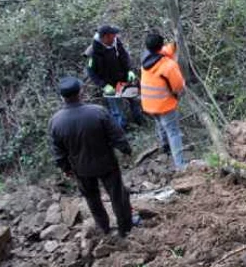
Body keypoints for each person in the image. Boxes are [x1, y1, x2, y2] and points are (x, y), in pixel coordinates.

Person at [49, 77, 133, 238]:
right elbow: (117, 135)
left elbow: (58, 151)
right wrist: (126, 150)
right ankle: (125, 228)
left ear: (62, 97)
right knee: (117, 195)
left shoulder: (56, 122)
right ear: (81, 92)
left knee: (92, 200)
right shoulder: (98, 112)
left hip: (81, 168)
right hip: (106, 163)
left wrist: (66, 168)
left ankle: (104, 229)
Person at [140, 33, 187, 170]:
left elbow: (166, 50)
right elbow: (178, 86)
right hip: (164, 104)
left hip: (148, 103)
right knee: (174, 132)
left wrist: (175, 43)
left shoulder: (146, 58)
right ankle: (180, 165)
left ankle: (165, 146)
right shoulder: (168, 65)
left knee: (161, 125)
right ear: (161, 45)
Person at [85, 25, 144, 129]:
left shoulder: (116, 43)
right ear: (105, 37)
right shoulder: (94, 51)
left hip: (124, 79)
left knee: (134, 101)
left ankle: (141, 123)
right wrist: (103, 85)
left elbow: (124, 56)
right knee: (117, 111)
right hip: (109, 85)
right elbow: (91, 72)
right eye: (113, 36)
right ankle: (122, 131)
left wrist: (129, 70)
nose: (115, 37)